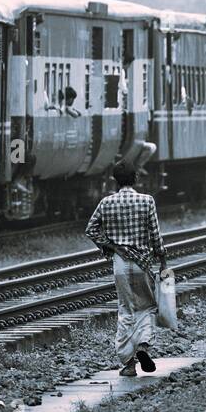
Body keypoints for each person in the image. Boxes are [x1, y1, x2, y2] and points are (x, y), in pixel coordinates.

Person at [84, 160, 167, 377]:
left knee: (126, 309)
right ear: (136, 178)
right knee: (147, 306)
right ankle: (143, 345)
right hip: (143, 264)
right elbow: (156, 235)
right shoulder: (146, 201)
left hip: (120, 264)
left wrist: (112, 246)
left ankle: (129, 364)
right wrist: (163, 258)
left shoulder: (106, 203)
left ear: (115, 180)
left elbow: (90, 230)